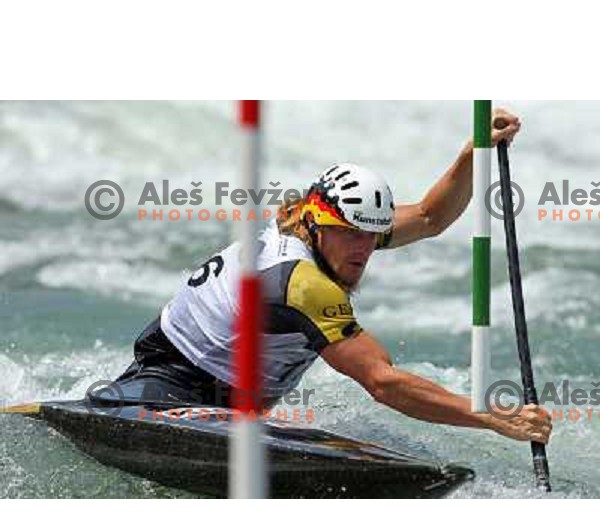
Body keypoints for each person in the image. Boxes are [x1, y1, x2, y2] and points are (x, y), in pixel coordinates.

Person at [104, 107, 551, 445]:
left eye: (372, 236)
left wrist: (474, 151)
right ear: (317, 224)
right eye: (351, 235)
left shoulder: (330, 229)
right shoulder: (301, 282)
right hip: (171, 390)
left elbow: (431, 218)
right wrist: (493, 417)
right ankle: (111, 401)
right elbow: (382, 381)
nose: (364, 248)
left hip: (227, 402)